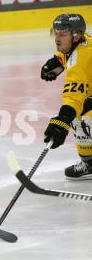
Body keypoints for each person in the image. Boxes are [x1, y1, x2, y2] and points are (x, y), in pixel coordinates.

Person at [41, 13, 92, 180]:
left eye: (62, 34)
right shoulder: (82, 42)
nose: (57, 38)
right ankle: (90, 163)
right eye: (55, 33)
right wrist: (57, 60)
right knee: (82, 113)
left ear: (76, 35)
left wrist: (62, 120)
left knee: (84, 119)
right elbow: (66, 54)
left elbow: (73, 97)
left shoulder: (79, 60)